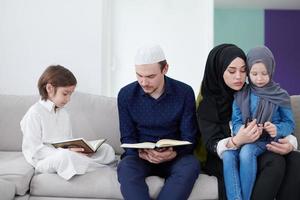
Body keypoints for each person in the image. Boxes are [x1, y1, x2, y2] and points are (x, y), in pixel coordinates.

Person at [196, 43, 300, 200]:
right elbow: (211, 144)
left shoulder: (253, 91)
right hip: (225, 155)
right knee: (274, 162)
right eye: (231, 71)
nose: (239, 76)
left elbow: (283, 122)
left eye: (243, 70)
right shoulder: (207, 103)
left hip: (259, 145)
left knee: (295, 159)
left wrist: (290, 143)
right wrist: (237, 140)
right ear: (218, 71)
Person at [117, 44, 200, 200]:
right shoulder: (126, 95)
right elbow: (127, 138)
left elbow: (189, 137)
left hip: (175, 157)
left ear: (165, 69)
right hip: (141, 158)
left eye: (150, 76)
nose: (143, 82)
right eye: (139, 75)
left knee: (191, 165)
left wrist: (173, 153)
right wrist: (142, 154)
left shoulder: (184, 92)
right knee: (126, 167)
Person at [222, 46, 295, 200]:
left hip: (266, 140)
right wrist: (241, 129)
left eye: (264, 73)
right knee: (228, 155)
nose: (259, 78)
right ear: (248, 72)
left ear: (271, 71)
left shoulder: (281, 95)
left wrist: (277, 129)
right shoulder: (241, 95)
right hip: (246, 138)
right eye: (254, 74)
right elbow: (235, 121)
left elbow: (289, 123)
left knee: (247, 151)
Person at [21, 65, 116, 180]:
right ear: (49, 88)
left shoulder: (64, 113)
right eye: (65, 94)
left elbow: (68, 141)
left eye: (71, 94)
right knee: (65, 156)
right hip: (45, 160)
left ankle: (86, 164)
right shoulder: (34, 113)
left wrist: (80, 149)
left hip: (67, 154)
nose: (68, 99)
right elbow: (35, 151)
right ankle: (97, 166)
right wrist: (68, 152)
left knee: (106, 149)